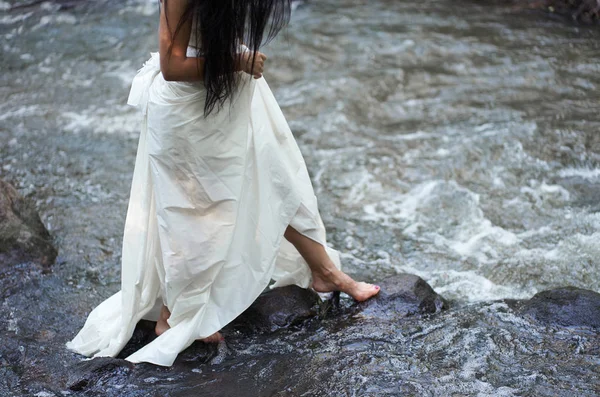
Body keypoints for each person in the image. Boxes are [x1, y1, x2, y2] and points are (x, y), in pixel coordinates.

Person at [66, 0, 380, 367]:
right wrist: (237, 62)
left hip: (232, 91)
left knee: (279, 179)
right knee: (193, 217)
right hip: (188, 108)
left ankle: (325, 272)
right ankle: (172, 314)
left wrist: (238, 63)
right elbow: (171, 67)